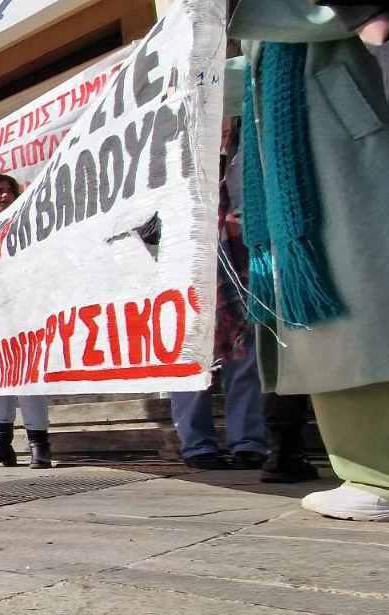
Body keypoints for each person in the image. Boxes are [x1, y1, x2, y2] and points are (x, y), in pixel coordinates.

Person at [229, 0, 389, 521]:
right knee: (325, 320)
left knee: (357, 305)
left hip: (345, 157)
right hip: (298, 181)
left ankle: (378, 477)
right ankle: (366, 472)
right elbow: (249, 72)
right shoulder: (266, 26)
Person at [168, 118, 267, 471]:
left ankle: (248, 443)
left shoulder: (246, 156)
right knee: (192, 362)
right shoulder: (171, 165)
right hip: (188, 273)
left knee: (245, 359)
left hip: (240, 267)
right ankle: (197, 446)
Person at [0, 175, 53, 469]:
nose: (5, 195)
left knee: (29, 378)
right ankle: (1, 444)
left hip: (25, 308)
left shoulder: (28, 223)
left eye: (9, 191)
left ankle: (39, 444)